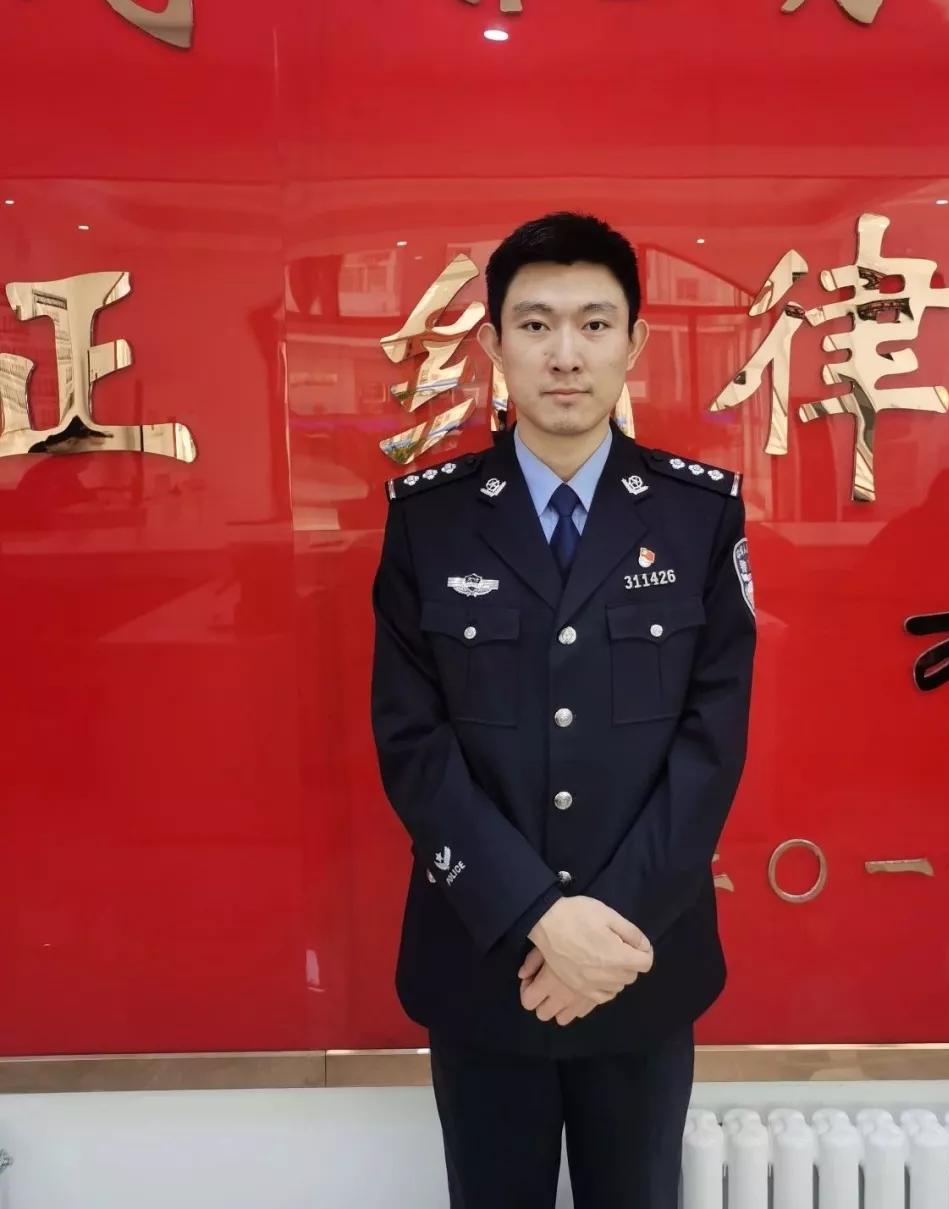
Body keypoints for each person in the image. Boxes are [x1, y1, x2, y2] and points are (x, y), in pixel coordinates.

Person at [370, 211, 756, 1209]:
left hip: (640, 963)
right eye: (536, 325)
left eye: (594, 323)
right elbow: (413, 744)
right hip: (484, 957)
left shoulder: (698, 514)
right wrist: (537, 915)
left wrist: (607, 932)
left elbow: (712, 741)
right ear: (494, 344)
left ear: (635, 340)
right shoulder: (428, 521)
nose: (566, 355)